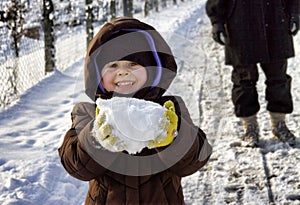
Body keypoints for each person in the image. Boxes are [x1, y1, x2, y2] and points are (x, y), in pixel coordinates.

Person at [58, 17, 212, 204]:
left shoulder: (169, 109)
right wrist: (95, 138)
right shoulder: (89, 112)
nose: (123, 72)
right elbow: (76, 166)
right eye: (112, 66)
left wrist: (173, 137)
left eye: (133, 65)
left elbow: (194, 160)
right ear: (98, 74)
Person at [205, 0, 299, 147]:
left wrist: (295, 13)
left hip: (275, 20)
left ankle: (279, 124)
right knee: (244, 80)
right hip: (240, 23)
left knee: (279, 79)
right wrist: (217, 22)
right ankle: (250, 127)